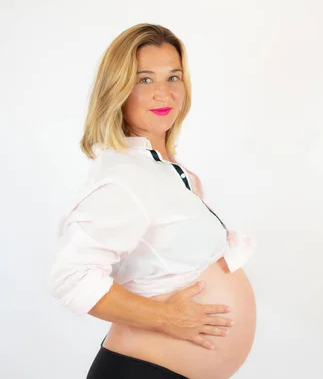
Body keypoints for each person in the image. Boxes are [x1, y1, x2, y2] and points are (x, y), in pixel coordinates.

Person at [49, 23, 257, 379]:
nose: (164, 93)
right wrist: (168, 318)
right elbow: (72, 278)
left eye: (173, 78)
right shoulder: (124, 174)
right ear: (117, 89)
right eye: (145, 80)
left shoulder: (170, 172)